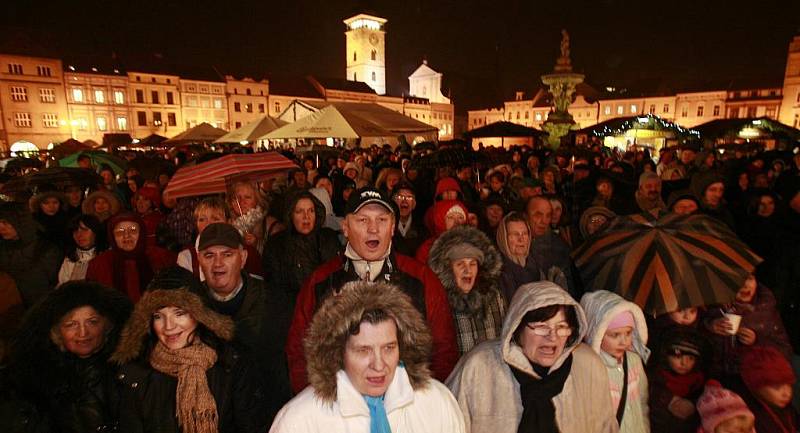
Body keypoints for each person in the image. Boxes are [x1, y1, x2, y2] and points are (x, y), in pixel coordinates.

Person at [286, 187, 458, 392]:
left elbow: (444, 350)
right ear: (345, 228)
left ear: (393, 227)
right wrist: (322, 405)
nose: (373, 229)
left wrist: (421, 401)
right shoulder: (321, 281)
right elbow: (298, 352)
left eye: (382, 220)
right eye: (363, 220)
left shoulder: (421, 279)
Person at [270, 280, 465, 433]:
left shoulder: (437, 403)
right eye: (364, 350)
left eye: (389, 348)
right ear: (336, 353)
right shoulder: (299, 421)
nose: (379, 365)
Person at [446, 281, 618, 433]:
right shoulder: (478, 367)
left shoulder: (587, 365)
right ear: (517, 328)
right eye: (541, 326)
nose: (552, 337)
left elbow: (606, 426)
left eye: (562, 326)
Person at [111, 280, 267, 433]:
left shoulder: (231, 365)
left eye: (179, 313)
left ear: (199, 316)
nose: (169, 327)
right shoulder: (136, 376)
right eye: (158, 316)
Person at [2, 281, 132, 432]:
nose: (83, 333)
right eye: (71, 324)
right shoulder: (31, 381)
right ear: (56, 332)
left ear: (108, 326)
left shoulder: (131, 371)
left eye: (92, 322)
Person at [195, 225, 292, 421]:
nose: (218, 264)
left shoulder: (275, 302)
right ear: (199, 261)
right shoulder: (189, 308)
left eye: (227, 254)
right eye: (209, 255)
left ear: (243, 258)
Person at [428, 225, 506, 356]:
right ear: (448, 270)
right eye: (460, 264)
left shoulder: (495, 297)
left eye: (472, 264)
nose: (467, 270)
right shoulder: (439, 302)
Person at [581, 290, 651, 433]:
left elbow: (643, 402)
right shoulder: (591, 367)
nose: (623, 341)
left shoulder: (634, 360)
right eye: (615, 335)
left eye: (628, 333)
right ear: (597, 334)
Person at [262, 191, 341, 310]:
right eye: (299, 211)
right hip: (292, 311)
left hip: (330, 309)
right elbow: (274, 287)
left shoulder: (329, 238)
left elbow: (339, 276)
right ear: (291, 215)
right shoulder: (276, 245)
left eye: (311, 211)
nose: (306, 217)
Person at [86, 212, 176, 302]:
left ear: (141, 233)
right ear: (112, 236)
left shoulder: (162, 257)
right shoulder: (99, 264)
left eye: (133, 230)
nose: (126, 236)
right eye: (120, 232)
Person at [176, 197, 263, 282]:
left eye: (215, 219)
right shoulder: (187, 257)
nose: (208, 224)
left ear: (229, 222)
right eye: (202, 219)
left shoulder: (250, 254)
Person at [0, 201, 62, 307]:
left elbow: (56, 284)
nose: (1, 228)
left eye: (5, 222)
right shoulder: (3, 249)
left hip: (41, 309)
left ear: (19, 222)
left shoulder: (45, 250)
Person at [648, 328, 708, 433]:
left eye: (690, 358)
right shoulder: (656, 376)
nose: (684, 363)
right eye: (678, 356)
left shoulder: (698, 381)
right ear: (666, 355)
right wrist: (669, 400)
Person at [739, 346, 797, 433]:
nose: (786, 393)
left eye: (789, 385)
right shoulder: (751, 418)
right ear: (757, 386)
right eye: (777, 387)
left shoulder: (788, 410)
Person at [496, 212, 545, 303]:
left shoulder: (538, 267)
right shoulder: (496, 274)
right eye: (515, 234)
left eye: (524, 234)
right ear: (504, 238)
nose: (521, 239)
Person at [58, 214, 108, 285]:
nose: (79, 235)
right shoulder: (70, 257)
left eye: (84, 230)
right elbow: (62, 284)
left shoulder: (106, 256)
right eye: (75, 231)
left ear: (95, 232)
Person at [391, 181, 428, 257]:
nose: (404, 201)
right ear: (393, 202)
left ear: (414, 204)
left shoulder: (422, 230)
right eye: (400, 197)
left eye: (409, 197)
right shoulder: (386, 227)